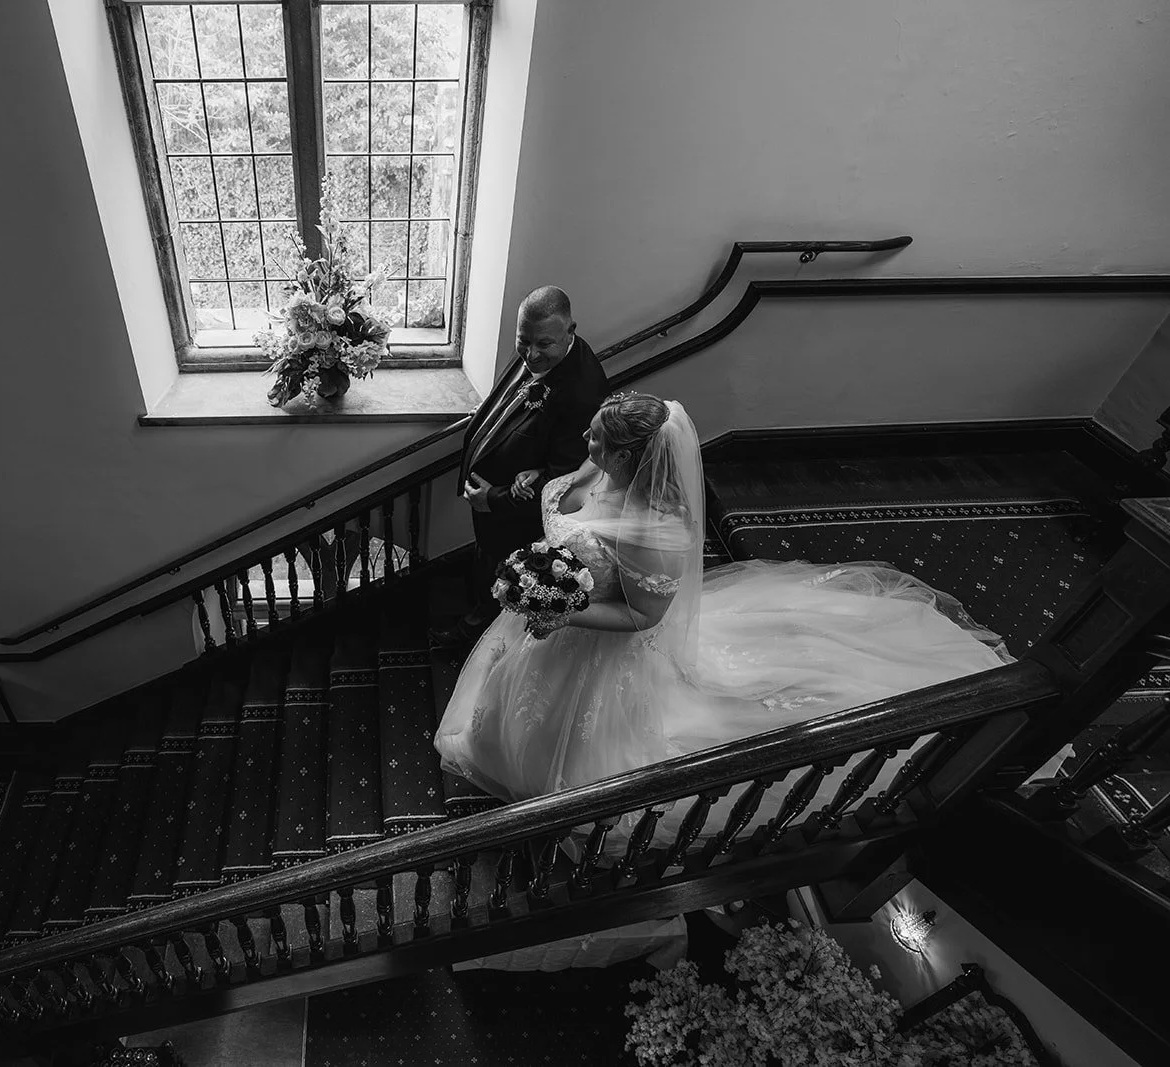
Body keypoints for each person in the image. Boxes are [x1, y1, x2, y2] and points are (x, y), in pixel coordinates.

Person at [434, 392, 1034, 971]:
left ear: (629, 458)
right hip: (551, 626)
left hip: (599, 651)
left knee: (574, 742)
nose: (584, 442)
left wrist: (563, 608)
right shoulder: (603, 459)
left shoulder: (656, 532)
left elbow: (644, 616)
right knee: (514, 705)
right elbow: (572, 492)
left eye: (597, 439)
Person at [431, 286, 607, 647]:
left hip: (514, 515)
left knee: (501, 573)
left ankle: (476, 637)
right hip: (491, 505)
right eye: (523, 341)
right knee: (485, 560)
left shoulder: (580, 393)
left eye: (543, 344)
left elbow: (563, 480)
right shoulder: (538, 350)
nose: (531, 354)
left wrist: (492, 499)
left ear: (570, 331)